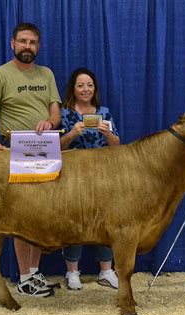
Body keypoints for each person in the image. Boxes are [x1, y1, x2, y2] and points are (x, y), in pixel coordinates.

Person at [0, 23, 62, 297]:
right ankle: (24, 277)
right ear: (12, 43)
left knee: (41, 214)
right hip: (17, 147)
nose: (28, 46)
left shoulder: (46, 74)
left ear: (38, 46)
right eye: (23, 41)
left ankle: (34, 273)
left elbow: (56, 115)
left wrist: (49, 123)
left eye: (33, 42)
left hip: (47, 147)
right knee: (23, 216)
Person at [59, 67, 120, 290]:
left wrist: (108, 134)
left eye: (89, 85)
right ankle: (72, 272)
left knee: (106, 221)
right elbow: (55, 146)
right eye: (81, 85)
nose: (86, 89)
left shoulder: (104, 111)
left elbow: (117, 145)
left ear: (95, 89)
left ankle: (106, 270)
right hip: (73, 175)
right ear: (73, 89)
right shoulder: (64, 113)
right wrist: (72, 134)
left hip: (102, 174)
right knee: (75, 220)